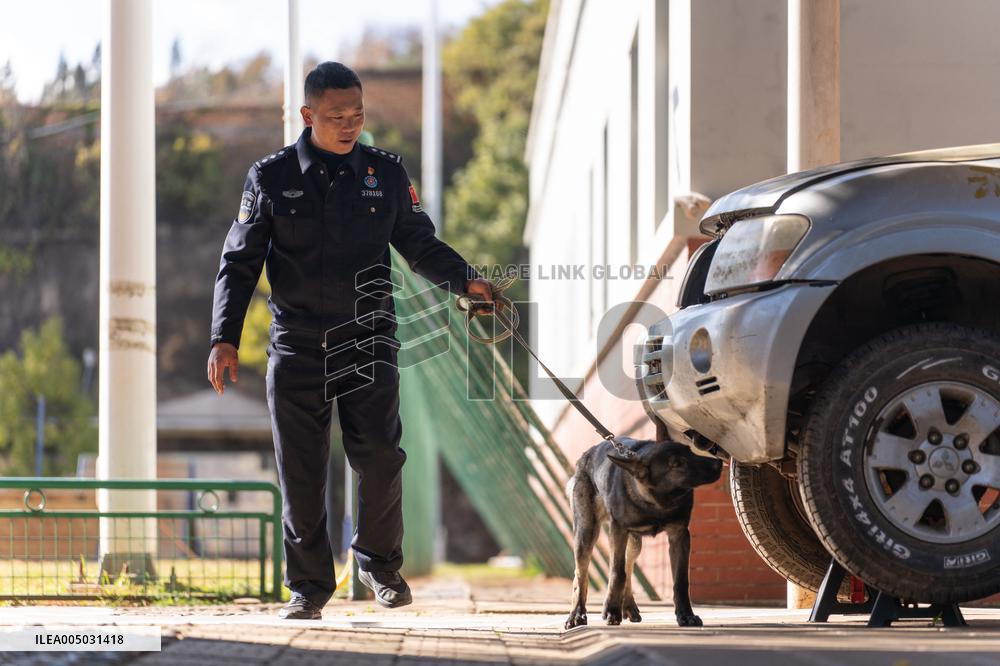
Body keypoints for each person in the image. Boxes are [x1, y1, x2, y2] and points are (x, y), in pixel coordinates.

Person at [206, 61, 493, 620]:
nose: (349, 125)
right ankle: (308, 588)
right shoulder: (269, 178)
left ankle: (379, 563)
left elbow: (417, 241)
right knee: (302, 470)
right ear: (308, 115)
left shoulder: (384, 173)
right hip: (296, 343)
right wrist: (223, 339)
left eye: (357, 113)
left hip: (367, 337)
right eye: (336, 116)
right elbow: (238, 264)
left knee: (382, 457)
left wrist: (465, 278)